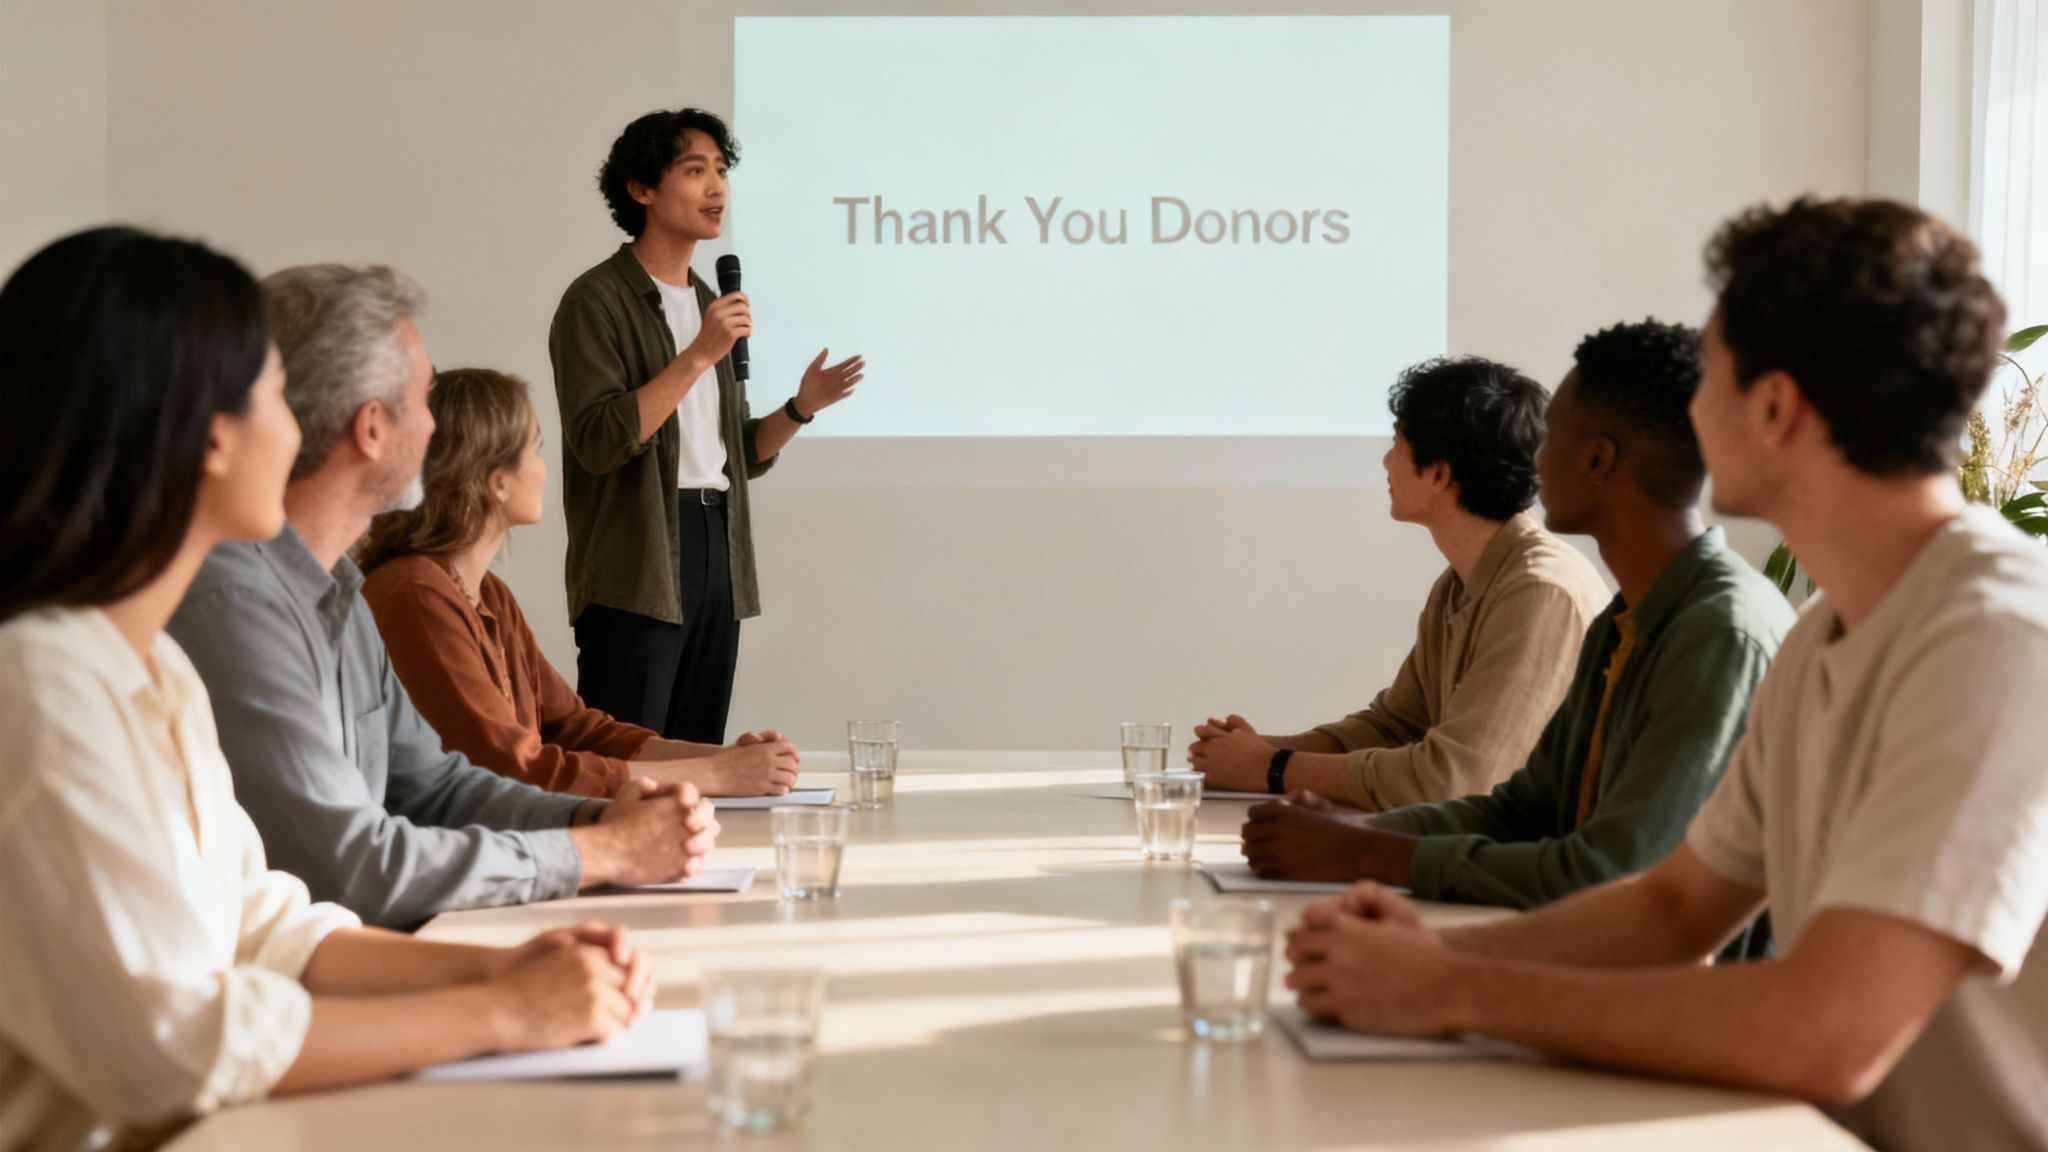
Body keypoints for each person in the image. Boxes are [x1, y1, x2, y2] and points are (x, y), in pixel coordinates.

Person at [1283, 198, 2048, 1152]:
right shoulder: (1827, 631)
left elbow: (1832, 1032)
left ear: (1774, 407)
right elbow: (1672, 907)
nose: (1691, 409)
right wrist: (1419, 954)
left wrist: (1451, 990)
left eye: (1710, 375)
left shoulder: (1998, 636)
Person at [0, 228, 657, 1152]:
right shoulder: (43, 685)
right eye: (275, 393)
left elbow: (263, 922)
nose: (301, 424)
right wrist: (502, 1013)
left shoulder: (150, 667)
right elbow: (171, 1048)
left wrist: (499, 971)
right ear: (207, 435)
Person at [168, 264, 719, 930]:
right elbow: (347, 869)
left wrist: (597, 818)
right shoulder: (237, 601)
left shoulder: (341, 592)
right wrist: (600, 851)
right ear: (373, 428)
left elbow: (435, 786)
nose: (436, 431)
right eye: (425, 399)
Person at [1242, 320, 1793, 909]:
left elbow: (1609, 874)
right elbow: (1524, 810)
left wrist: (1359, 851)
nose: (1532, 458)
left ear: (1598, 460)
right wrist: (1350, 832)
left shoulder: (1720, 630)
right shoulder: (1625, 619)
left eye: (1551, 436)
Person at [552, 107, 864, 743]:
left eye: (721, 170)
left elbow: (738, 453)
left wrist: (800, 408)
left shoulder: (708, 302)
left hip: (716, 542)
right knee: (627, 760)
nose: (716, 187)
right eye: (695, 171)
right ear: (641, 189)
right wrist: (698, 353)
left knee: (699, 757)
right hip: (638, 559)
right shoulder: (596, 301)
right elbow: (600, 440)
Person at [357, 366, 801, 799]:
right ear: (498, 481)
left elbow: (577, 729)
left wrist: (724, 759)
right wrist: (714, 775)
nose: (544, 468)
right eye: (536, 449)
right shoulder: (414, 594)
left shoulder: (488, 592)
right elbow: (511, 768)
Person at [1188, 357, 1610, 809]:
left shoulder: (1541, 593)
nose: (1386, 461)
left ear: (1439, 473)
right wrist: (1258, 751)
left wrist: (1271, 767)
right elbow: (1397, 726)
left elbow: (1452, 780)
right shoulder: (1459, 584)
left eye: (1396, 444)